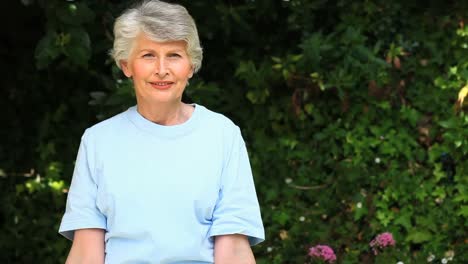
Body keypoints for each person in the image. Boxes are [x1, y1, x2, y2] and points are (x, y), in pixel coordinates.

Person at [58, 0, 265, 263]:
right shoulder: (98, 141)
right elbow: (87, 251)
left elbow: (233, 248)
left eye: (174, 55)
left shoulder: (223, 135)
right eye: (148, 55)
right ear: (126, 65)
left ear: (191, 66)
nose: (162, 69)